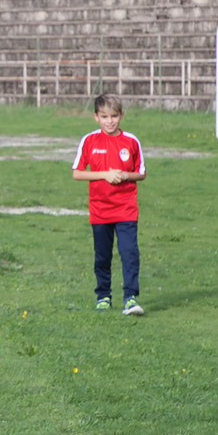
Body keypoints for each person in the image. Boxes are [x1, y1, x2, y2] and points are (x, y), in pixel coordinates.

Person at [72, 94, 146, 315]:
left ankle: (130, 298)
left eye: (114, 116)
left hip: (126, 208)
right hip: (100, 210)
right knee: (103, 256)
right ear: (96, 117)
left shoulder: (131, 141)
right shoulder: (89, 141)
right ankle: (103, 296)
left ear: (121, 116)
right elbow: (77, 173)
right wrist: (105, 174)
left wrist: (125, 175)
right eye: (104, 117)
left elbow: (141, 173)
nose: (110, 121)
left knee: (129, 252)